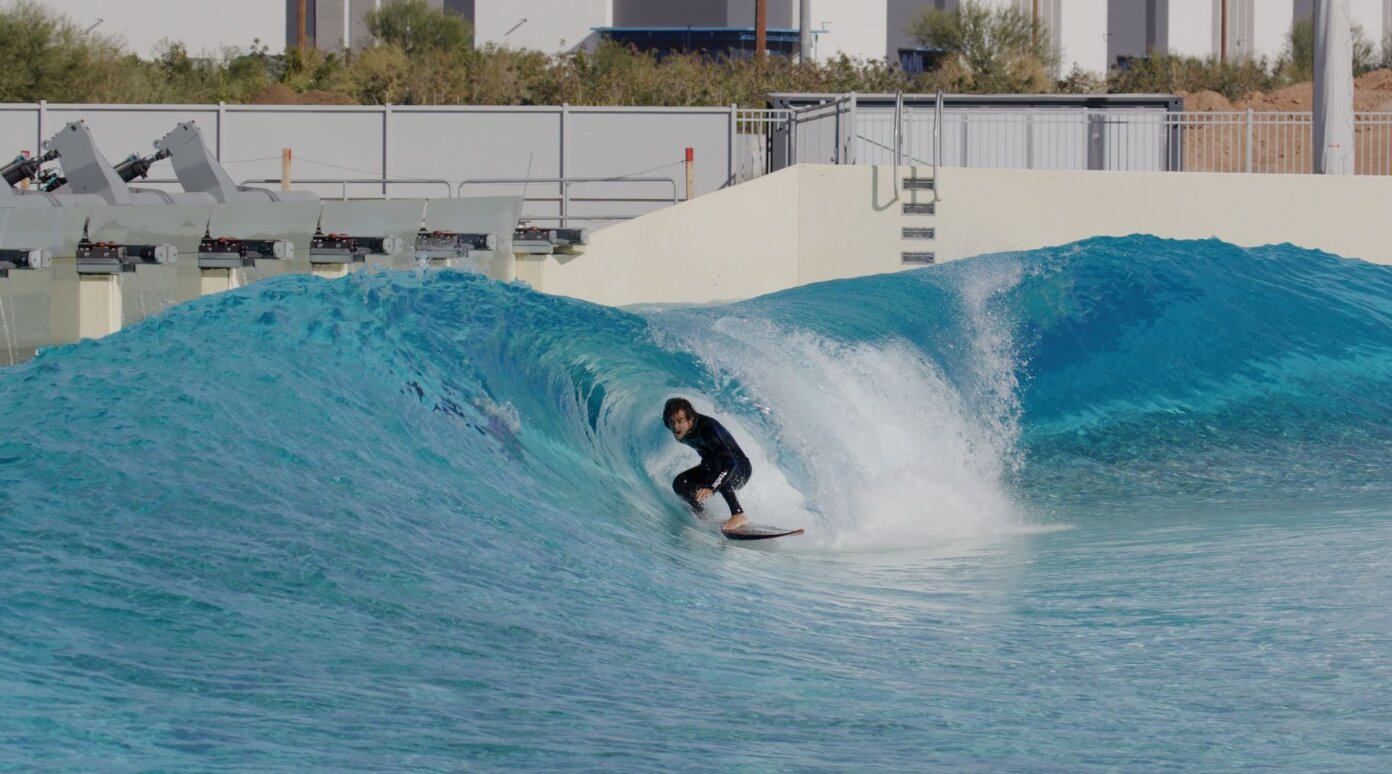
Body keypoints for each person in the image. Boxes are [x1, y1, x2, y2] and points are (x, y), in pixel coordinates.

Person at [663, 397, 753, 533]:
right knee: (681, 483)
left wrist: (711, 487)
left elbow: (729, 462)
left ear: (690, 419)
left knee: (714, 464)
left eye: (680, 421)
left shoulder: (706, 429)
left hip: (739, 470)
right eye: (672, 422)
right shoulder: (681, 430)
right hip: (716, 469)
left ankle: (738, 514)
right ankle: (703, 515)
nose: (675, 427)